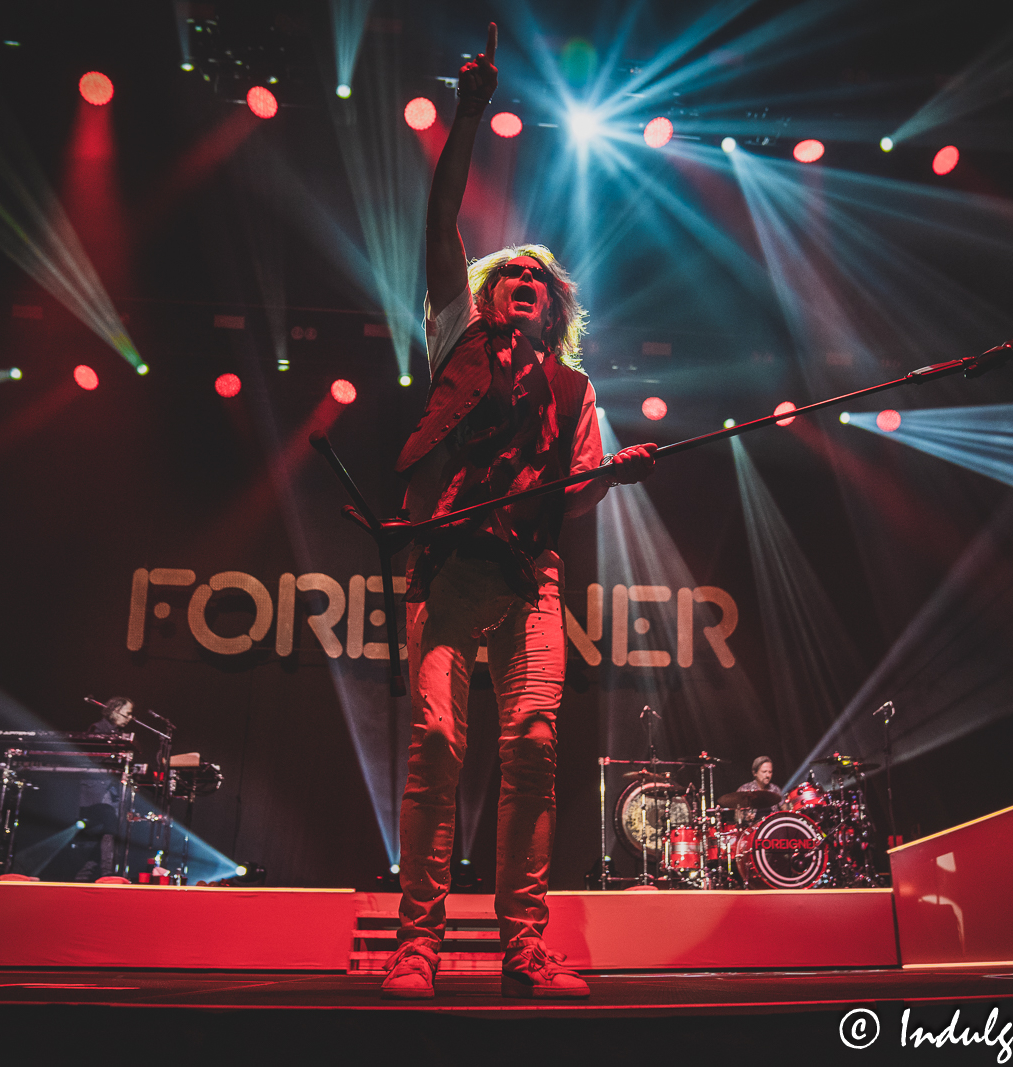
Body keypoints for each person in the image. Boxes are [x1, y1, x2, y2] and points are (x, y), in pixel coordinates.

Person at [381, 23, 657, 1001]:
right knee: (435, 741)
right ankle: (416, 941)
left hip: (529, 577)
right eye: (510, 277)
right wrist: (466, 114)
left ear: (555, 308)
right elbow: (436, 221)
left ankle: (523, 945)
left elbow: (572, 495)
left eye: (538, 283)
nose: (522, 287)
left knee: (535, 743)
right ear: (489, 295)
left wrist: (614, 476)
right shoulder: (456, 338)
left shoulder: (575, 392)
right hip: (450, 572)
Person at [75, 697, 134, 881]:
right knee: (108, 828)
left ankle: (84, 876)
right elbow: (93, 757)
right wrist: (117, 755)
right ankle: (107, 873)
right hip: (98, 789)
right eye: (128, 712)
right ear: (115, 710)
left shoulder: (118, 732)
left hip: (111, 790)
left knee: (107, 832)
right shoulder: (98, 729)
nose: (130, 717)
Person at [735, 756, 785, 825]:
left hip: (772, 828)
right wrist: (746, 818)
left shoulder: (775, 789)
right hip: (753, 830)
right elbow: (737, 817)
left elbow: (785, 810)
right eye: (764, 772)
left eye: (770, 772)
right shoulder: (744, 789)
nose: (767, 775)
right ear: (755, 773)